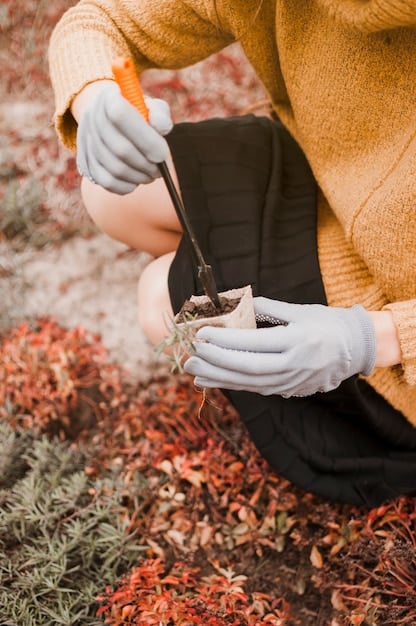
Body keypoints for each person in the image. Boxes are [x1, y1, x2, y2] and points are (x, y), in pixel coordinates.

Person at [48, 0, 416, 507]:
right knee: (113, 191)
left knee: (164, 301)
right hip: (320, 183)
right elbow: (98, 21)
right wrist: (96, 100)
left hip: (393, 320)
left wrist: (374, 339)